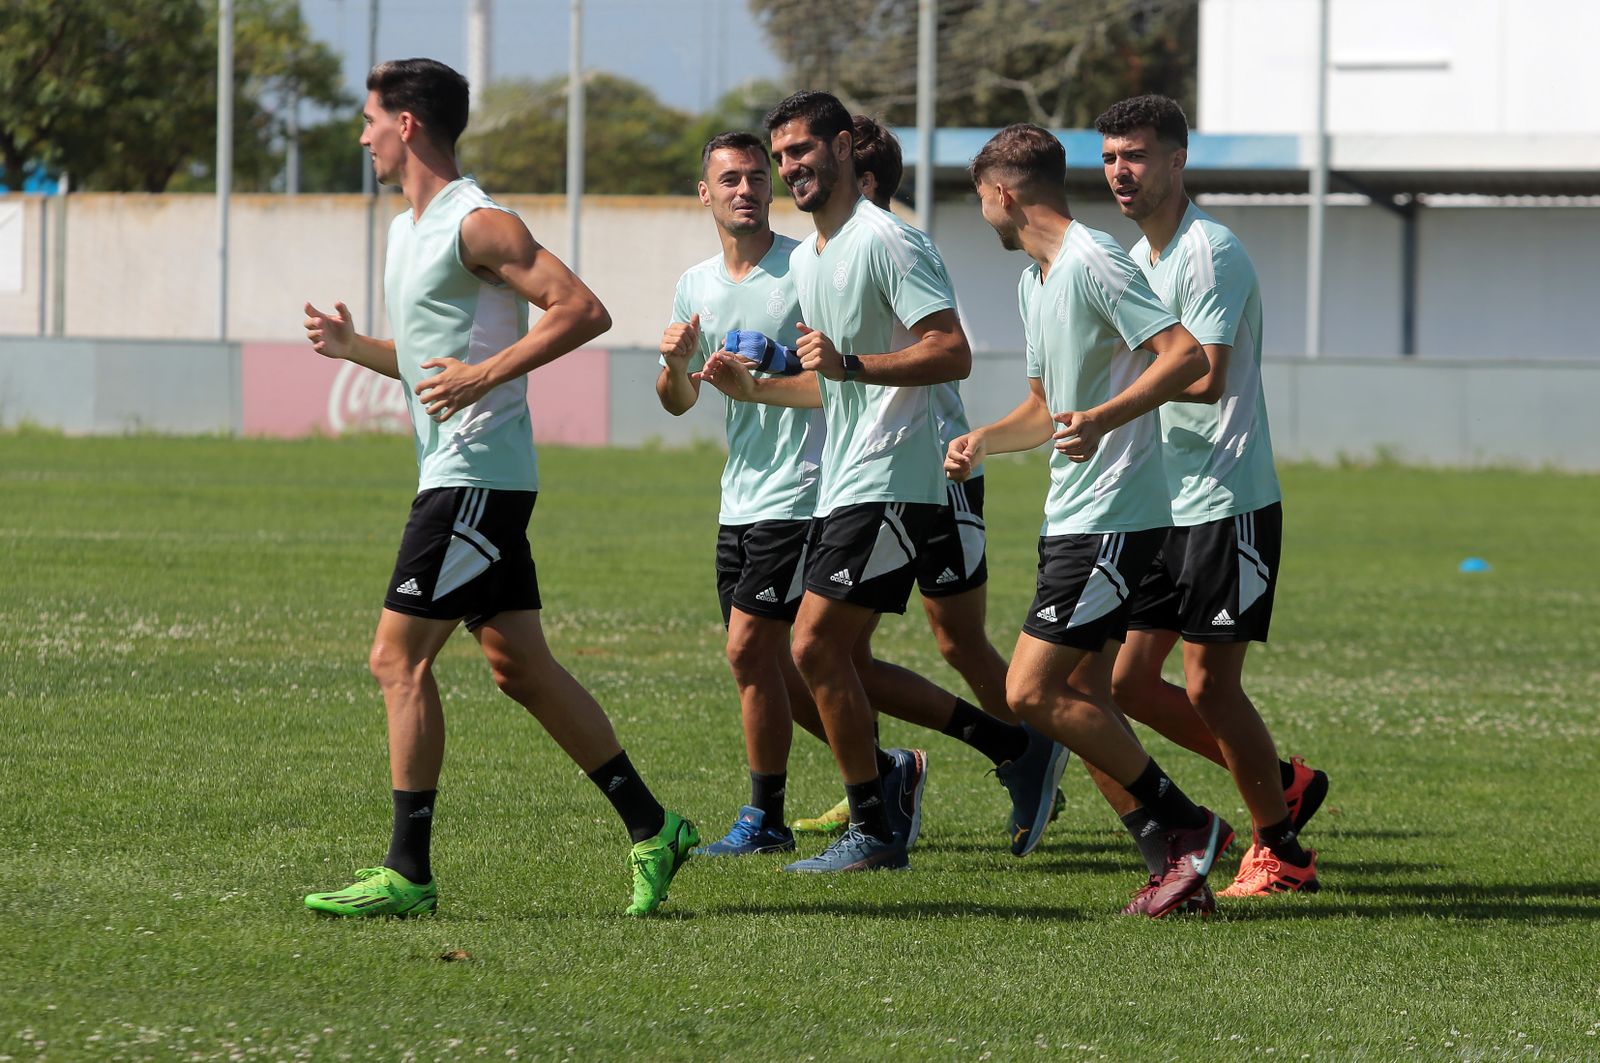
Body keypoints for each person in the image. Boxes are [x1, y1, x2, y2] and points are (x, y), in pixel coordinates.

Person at [300, 58, 697, 918]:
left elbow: (582, 309)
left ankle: (407, 872)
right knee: (520, 667)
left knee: (394, 657)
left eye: (369, 118)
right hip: (462, 476)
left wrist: (485, 377)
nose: (360, 133)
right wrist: (353, 345)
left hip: (476, 479)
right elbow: (423, 363)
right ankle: (654, 825)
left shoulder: (477, 222)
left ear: (407, 124)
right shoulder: (408, 231)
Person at [720, 91, 1065, 873]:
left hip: (899, 475)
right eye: (782, 158)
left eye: (803, 150)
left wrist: (850, 365)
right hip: (845, 479)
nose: (790, 168)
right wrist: (763, 383)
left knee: (815, 645)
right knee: (833, 653)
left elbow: (951, 351)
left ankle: (878, 825)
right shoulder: (810, 258)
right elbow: (833, 382)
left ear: (844, 148)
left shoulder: (890, 241)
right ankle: (1001, 749)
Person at [948, 122, 1228, 916]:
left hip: (1116, 517)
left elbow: (1186, 356)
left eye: (980, 201)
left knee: (1031, 690)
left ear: (1003, 194)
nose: (984, 216)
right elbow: (1044, 409)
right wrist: (983, 441)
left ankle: (1186, 822)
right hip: (1070, 515)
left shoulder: (1094, 259)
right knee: (1083, 694)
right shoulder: (1034, 282)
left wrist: (1104, 416)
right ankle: (1176, 869)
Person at [1093, 94, 1327, 897]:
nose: (1121, 172)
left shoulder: (1209, 252)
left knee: (1208, 686)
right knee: (1125, 683)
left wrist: (1109, 404)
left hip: (1228, 500)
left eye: (1136, 155)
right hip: (1164, 504)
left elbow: (1206, 371)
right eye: (1111, 157)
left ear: (1176, 160)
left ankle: (1282, 849)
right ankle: (1281, 779)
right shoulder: (1141, 259)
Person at [654, 131, 829, 855]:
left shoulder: (806, 269)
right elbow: (678, 403)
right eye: (729, 178)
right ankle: (880, 772)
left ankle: (766, 817)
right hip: (740, 499)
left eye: (757, 176)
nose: (746, 189)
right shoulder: (695, 284)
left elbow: (831, 384)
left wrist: (755, 384)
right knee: (771, 662)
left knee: (747, 648)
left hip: (804, 490)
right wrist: (671, 365)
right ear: (706, 192)